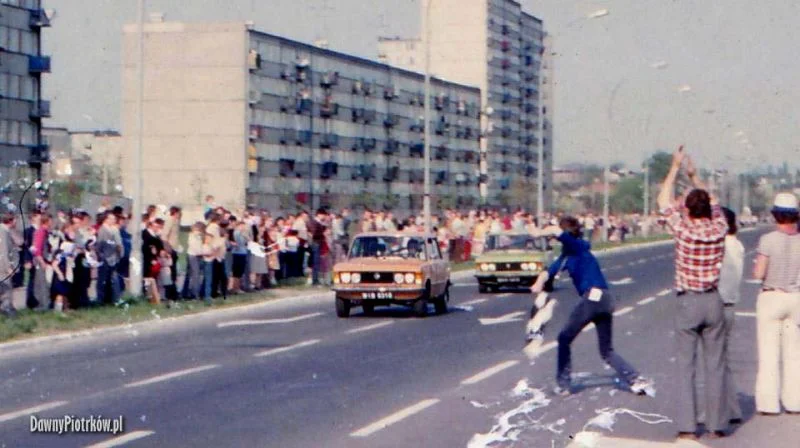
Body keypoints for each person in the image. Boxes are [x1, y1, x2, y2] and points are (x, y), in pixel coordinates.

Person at [530, 216, 651, 397]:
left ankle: (563, 384)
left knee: (564, 338)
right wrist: (539, 282)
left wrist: (538, 232)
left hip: (593, 299)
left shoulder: (577, 247)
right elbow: (550, 270)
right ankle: (635, 379)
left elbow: (557, 232)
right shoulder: (567, 256)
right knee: (606, 351)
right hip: (605, 300)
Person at [658, 147, 729, 440]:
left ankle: (688, 426)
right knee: (716, 364)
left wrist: (675, 169)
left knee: (685, 365)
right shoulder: (719, 227)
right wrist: (694, 175)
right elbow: (713, 202)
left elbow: (663, 200)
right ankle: (718, 424)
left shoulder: (683, 229)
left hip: (688, 300)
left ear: (687, 208)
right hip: (713, 300)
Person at [752, 192, 800, 415]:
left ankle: (769, 403)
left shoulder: (768, 240)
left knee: (769, 353)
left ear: (775, 215)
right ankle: (795, 401)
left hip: (772, 297)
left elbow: (759, 272)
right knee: (794, 354)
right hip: (795, 298)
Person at [717, 207, 744, 424]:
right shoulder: (737, 245)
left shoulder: (719, 245)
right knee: (722, 359)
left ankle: (717, 410)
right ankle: (732, 408)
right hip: (731, 304)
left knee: (713, 361)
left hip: (716, 302)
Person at [96, 213, 123, 305]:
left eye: (114, 219)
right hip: (105, 258)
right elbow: (99, 245)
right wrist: (101, 255)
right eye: (112, 219)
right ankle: (102, 300)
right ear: (106, 219)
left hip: (113, 258)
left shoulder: (113, 230)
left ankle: (113, 299)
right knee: (103, 279)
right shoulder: (102, 230)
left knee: (112, 279)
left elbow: (118, 244)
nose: (114, 221)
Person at [0, 213, 20, 317]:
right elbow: (3, 250)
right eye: (15, 220)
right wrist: (8, 267)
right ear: (11, 220)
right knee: (6, 290)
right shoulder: (2, 231)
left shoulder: (6, 231)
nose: (16, 222)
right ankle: (7, 310)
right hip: (2, 267)